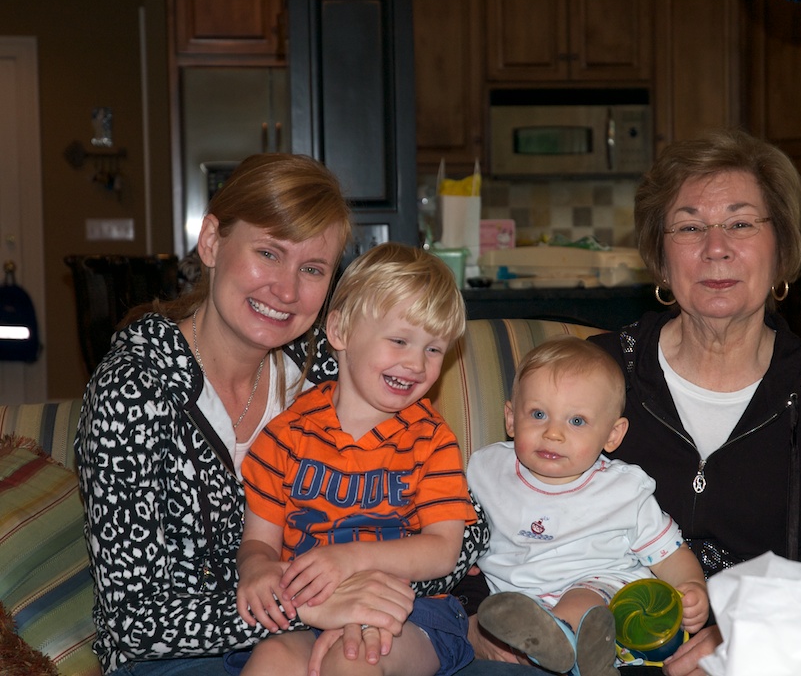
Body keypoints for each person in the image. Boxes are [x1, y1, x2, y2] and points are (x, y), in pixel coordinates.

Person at [74, 154, 528, 676]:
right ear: (212, 241)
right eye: (268, 253)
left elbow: (467, 534)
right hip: (185, 655)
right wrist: (307, 606)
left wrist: (357, 585)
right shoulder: (133, 390)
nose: (287, 291)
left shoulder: (330, 365)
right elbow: (134, 621)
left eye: (312, 269)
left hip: (358, 623)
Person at [581, 128, 801, 675]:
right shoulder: (599, 372)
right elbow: (511, 515)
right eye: (689, 227)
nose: (716, 247)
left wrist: (740, 637)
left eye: (741, 223)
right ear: (661, 258)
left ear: (781, 251)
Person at [235, 242, 477, 676]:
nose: (416, 364)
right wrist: (256, 569)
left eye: (434, 349)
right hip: (310, 608)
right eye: (400, 340)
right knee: (269, 661)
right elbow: (259, 541)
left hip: (411, 610)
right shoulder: (284, 437)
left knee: (354, 662)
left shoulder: (432, 440)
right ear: (341, 331)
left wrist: (350, 559)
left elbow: (444, 550)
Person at [467, 337, 710, 676]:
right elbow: (454, 526)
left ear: (612, 434)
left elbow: (669, 553)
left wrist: (693, 587)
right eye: (538, 414)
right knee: (508, 613)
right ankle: (569, 656)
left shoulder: (622, 491)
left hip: (602, 598)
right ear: (510, 418)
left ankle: (574, 645)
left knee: (583, 599)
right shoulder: (485, 470)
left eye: (577, 421)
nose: (553, 433)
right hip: (519, 610)